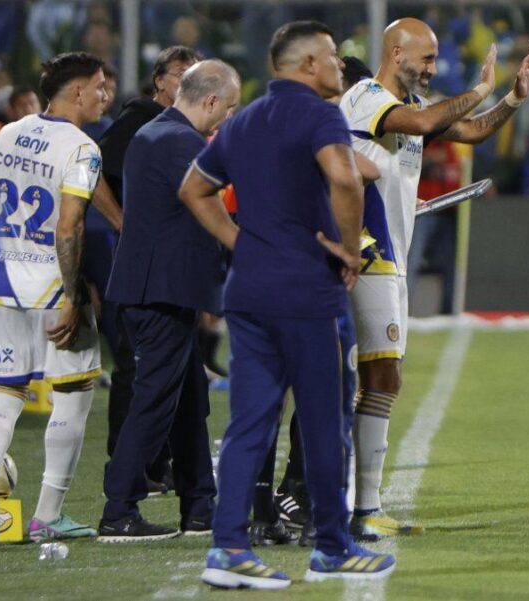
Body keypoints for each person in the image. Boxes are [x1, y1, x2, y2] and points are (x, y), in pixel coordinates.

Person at [178, 20, 393, 587]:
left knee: (250, 422)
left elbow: (193, 189)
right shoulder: (321, 115)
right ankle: (332, 547)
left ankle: (228, 548)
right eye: (332, 55)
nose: (340, 64)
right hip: (306, 292)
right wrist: (350, 250)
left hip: (248, 291)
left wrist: (240, 242)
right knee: (325, 423)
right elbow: (346, 178)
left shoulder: (243, 120)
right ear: (307, 65)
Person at [338, 17, 529, 540]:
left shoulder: (411, 108)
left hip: (391, 258)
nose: (432, 68)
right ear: (395, 52)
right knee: (379, 378)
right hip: (368, 255)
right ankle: (357, 505)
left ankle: (351, 503)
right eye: (425, 59)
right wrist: (480, 88)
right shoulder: (367, 98)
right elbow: (428, 123)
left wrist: (512, 100)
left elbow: (471, 131)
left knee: (376, 379)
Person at [97, 60, 239, 542]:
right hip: (161, 291)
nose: (228, 117)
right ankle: (119, 508)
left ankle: (199, 504)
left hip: (160, 288)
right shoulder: (180, 142)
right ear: (212, 100)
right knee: (155, 399)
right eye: (230, 107)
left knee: (189, 400)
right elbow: (214, 202)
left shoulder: (155, 132)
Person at [0, 52, 108, 547]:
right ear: (77, 91)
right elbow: (69, 226)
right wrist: (73, 296)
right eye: (99, 87)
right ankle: (48, 514)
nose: (104, 96)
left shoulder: (8, 134)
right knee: (74, 393)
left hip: (1, 282)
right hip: (52, 285)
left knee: (4, 394)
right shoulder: (83, 148)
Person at [97, 45, 200, 495]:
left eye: (195, 74)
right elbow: (92, 169)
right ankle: (127, 467)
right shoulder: (142, 118)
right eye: (180, 73)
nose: (188, 82)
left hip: (172, 266)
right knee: (135, 368)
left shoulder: (186, 126)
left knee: (177, 373)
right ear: (159, 80)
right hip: (143, 265)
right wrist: (122, 219)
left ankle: (162, 464)